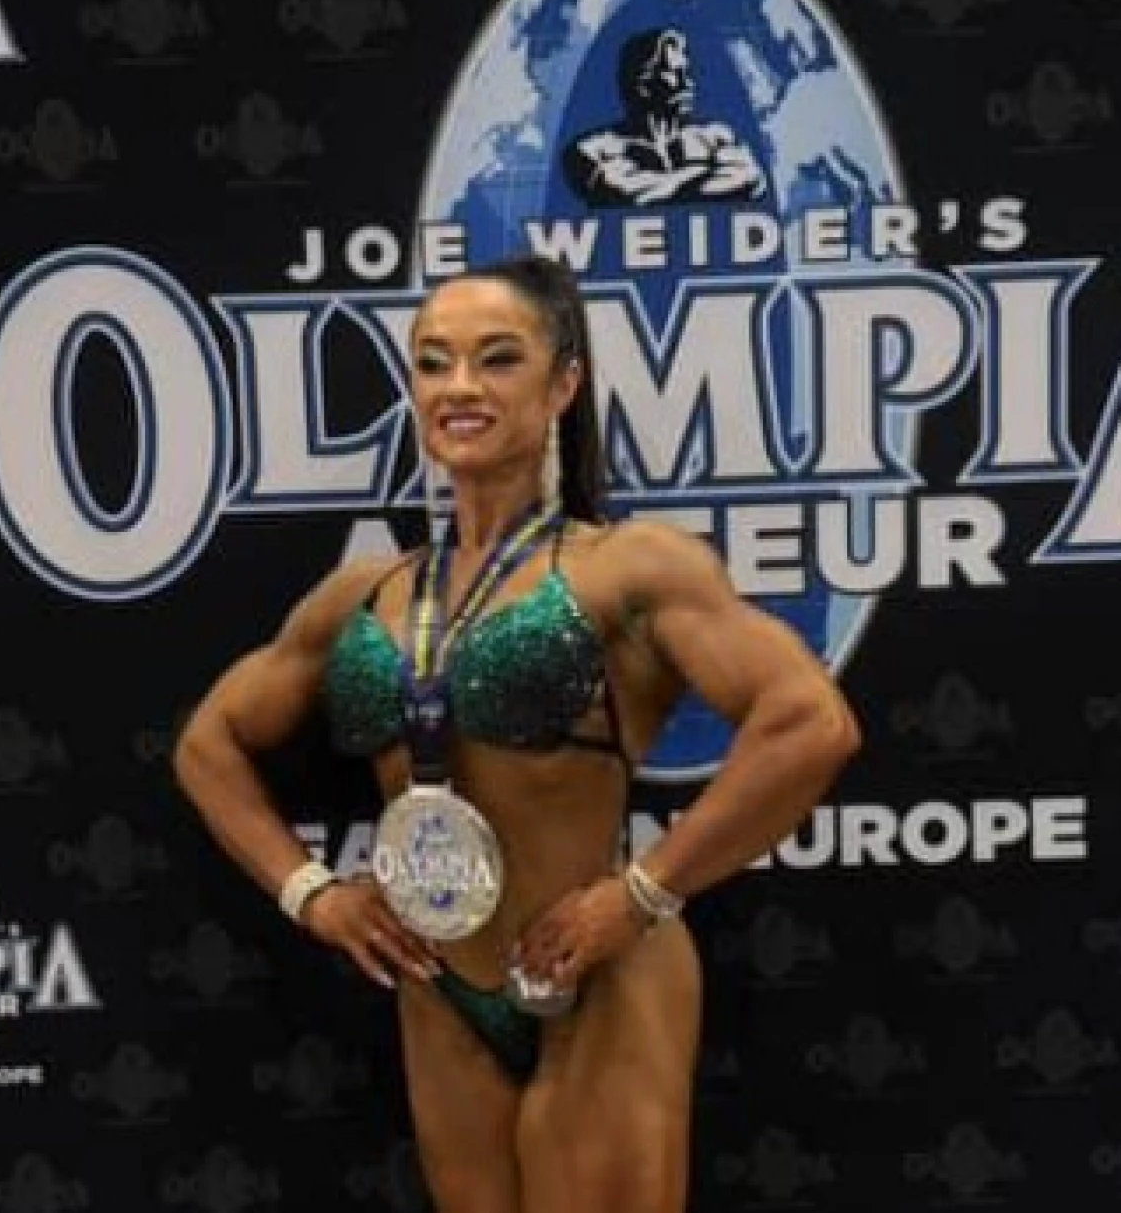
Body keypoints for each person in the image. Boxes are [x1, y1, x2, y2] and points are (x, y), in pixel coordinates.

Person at [173, 253, 860, 1213]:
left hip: (600, 976)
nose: (459, 386)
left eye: (497, 359)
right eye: (433, 362)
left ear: (563, 384)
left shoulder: (631, 567)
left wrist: (643, 893)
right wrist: (312, 894)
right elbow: (207, 746)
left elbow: (811, 723)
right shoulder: (366, 594)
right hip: (440, 987)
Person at [565, 27, 769, 208]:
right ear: (642, 84)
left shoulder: (716, 136)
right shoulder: (592, 150)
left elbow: (750, 179)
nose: (687, 83)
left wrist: (664, 186)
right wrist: (706, 171)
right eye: (675, 73)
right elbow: (628, 195)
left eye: (687, 73)